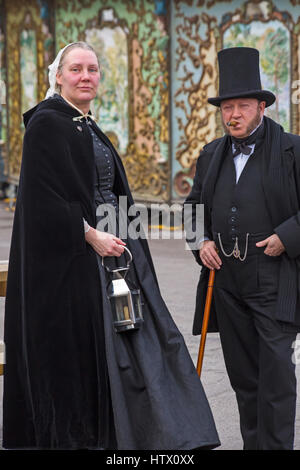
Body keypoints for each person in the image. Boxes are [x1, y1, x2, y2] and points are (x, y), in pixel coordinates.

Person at [2, 42, 220, 450]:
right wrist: (90, 235)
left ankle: (145, 439)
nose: (86, 76)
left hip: (116, 251)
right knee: (100, 353)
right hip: (78, 262)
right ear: (59, 76)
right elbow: (41, 200)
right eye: (77, 69)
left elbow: (109, 191)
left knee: (140, 341)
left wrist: (132, 238)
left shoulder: (84, 122)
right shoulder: (48, 124)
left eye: (93, 69)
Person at [184, 46, 300, 450]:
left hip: (273, 276)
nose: (233, 115)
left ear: (262, 107)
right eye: (227, 107)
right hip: (228, 281)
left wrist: (289, 235)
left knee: (276, 375)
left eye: (243, 106)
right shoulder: (211, 153)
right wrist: (200, 241)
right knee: (244, 377)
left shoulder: (292, 149)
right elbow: (193, 208)